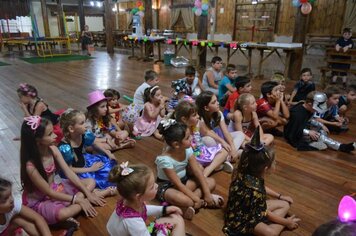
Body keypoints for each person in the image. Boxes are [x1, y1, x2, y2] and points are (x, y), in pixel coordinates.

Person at [20, 116, 106, 227]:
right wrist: (77, 199)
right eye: (50, 134)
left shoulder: (53, 149)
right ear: (38, 141)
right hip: (41, 199)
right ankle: (85, 200)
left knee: (90, 182)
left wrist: (87, 192)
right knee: (62, 214)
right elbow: (48, 193)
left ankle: (84, 199)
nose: (55, 135)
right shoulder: (31, 167)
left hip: (56, 188)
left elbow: (69, 172)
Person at [223, 128, 300, 235]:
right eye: (274, 163)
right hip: (242, 220)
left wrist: (280, 196)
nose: (275, 164)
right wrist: (287, 222)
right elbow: (265, 212)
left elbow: (261, 189)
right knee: (271, 233)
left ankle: (270, 223)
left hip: (246, 208)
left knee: (285, 204)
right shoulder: (255, 191)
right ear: (265, 169)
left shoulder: (241, 171)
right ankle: (275, 226)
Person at [155, 119, 224, 220]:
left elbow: (197, 172)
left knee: (211, 182)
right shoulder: (164, 160)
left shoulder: (187, 149)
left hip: (184, 182)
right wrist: (196, 199)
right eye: (188, 138)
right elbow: (177, 183)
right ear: (176, 144)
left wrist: (207, 193)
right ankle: (189, 204)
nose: (192, 138)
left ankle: (194, 204)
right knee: (187, 200)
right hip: (168, 186)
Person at [106, 162, 185, 236]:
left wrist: (164, 209)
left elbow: (144, 209)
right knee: (177, 220)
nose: (157, 186)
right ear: (139, 196)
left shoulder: (130, 201)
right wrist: (163, 232)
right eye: (152, 187)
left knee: (176, 218)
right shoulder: (133, 222)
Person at [59, 108, 118, 191]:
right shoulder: (65, 147)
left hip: (85, 161)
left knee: (108, 168)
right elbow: (68, 169)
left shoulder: (84, 134)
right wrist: (90, 169)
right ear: (71, 129)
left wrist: (108, 154)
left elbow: (94, 143)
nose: (86, 125)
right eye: (82, 123)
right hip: (76, 172)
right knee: (101, 180)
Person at [284, 91, 355, 152]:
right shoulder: (298, 114)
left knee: (322, 132)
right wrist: (308, 132)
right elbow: (294, 129)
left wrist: (321, 125)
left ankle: (338, 145)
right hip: (294, 133)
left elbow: (310, 120)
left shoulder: (309, 109)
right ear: (310, 104)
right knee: (319, 135)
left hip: (303, 127)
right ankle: (341, 147)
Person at [175, 100, 231, 177]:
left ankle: (206, 172)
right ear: (184, 119)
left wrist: (222, 141)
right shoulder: (179, 131)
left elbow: (207, 132)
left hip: (202, 152)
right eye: (194, 115)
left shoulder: (197, 123)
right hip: (190, 158)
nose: (198, 116)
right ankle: (216, 166)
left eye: (197, 113)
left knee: (224, 151)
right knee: (197, 169)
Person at [196, 91, 245, 162]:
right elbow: (208, 133)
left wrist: (233, 148)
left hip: (219, 139)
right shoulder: (199, 118)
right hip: (207, 143)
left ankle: (228, 156)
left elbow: (226, 132)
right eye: (214, 102)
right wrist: (223, 142)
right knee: (208, 140)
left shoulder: (219, 114)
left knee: (240, 134)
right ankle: (228, 156)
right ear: (206, 108)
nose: (218, 103)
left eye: (216, 100)